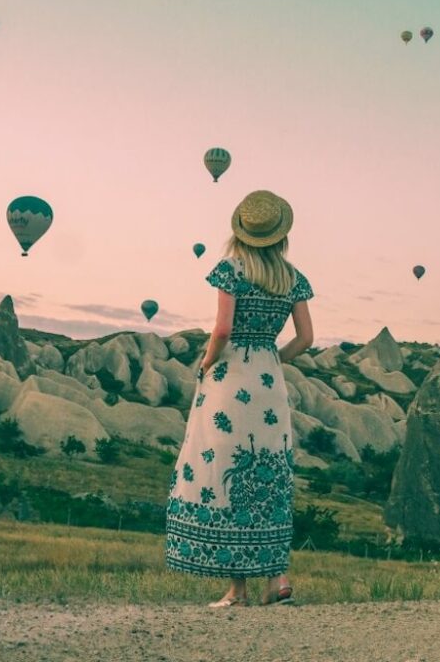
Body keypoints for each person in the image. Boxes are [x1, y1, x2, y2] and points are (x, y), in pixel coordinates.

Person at [166, 190, 314, 607]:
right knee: (269, 473)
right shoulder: (293, 277)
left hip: (230, 380)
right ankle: (277, 580)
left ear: (241, 232)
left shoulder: (231, 270)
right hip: (268, 382)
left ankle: (237, 590)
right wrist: (273, 358)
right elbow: (307, 338)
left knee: (228, 470)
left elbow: (222, 330)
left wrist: (205, 364)